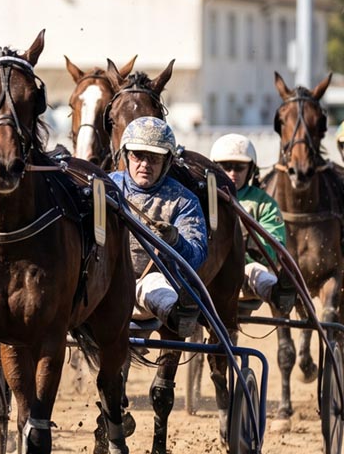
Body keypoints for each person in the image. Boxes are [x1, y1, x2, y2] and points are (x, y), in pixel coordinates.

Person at [110, 116, 207, 338]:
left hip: (150, 285)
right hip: (106, 282)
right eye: (138, 155)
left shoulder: (184, 200)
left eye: (154, 158)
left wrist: (175, 240)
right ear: (126, 155)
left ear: (167, 162)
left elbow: (197, 255)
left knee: (155, 285)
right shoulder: (105, 187)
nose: (145, 164)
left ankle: (178, 313)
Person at [210, 133, 295, 313]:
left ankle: (277, 292)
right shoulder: (203, 197)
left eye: (239, 167)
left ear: (250, 170)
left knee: (257, 270)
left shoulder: (263, 203)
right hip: (209, 272)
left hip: (245, 270)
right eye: (226, 167)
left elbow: (275, 243)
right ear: (215, 168)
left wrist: (248, 244)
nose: (233, 173)